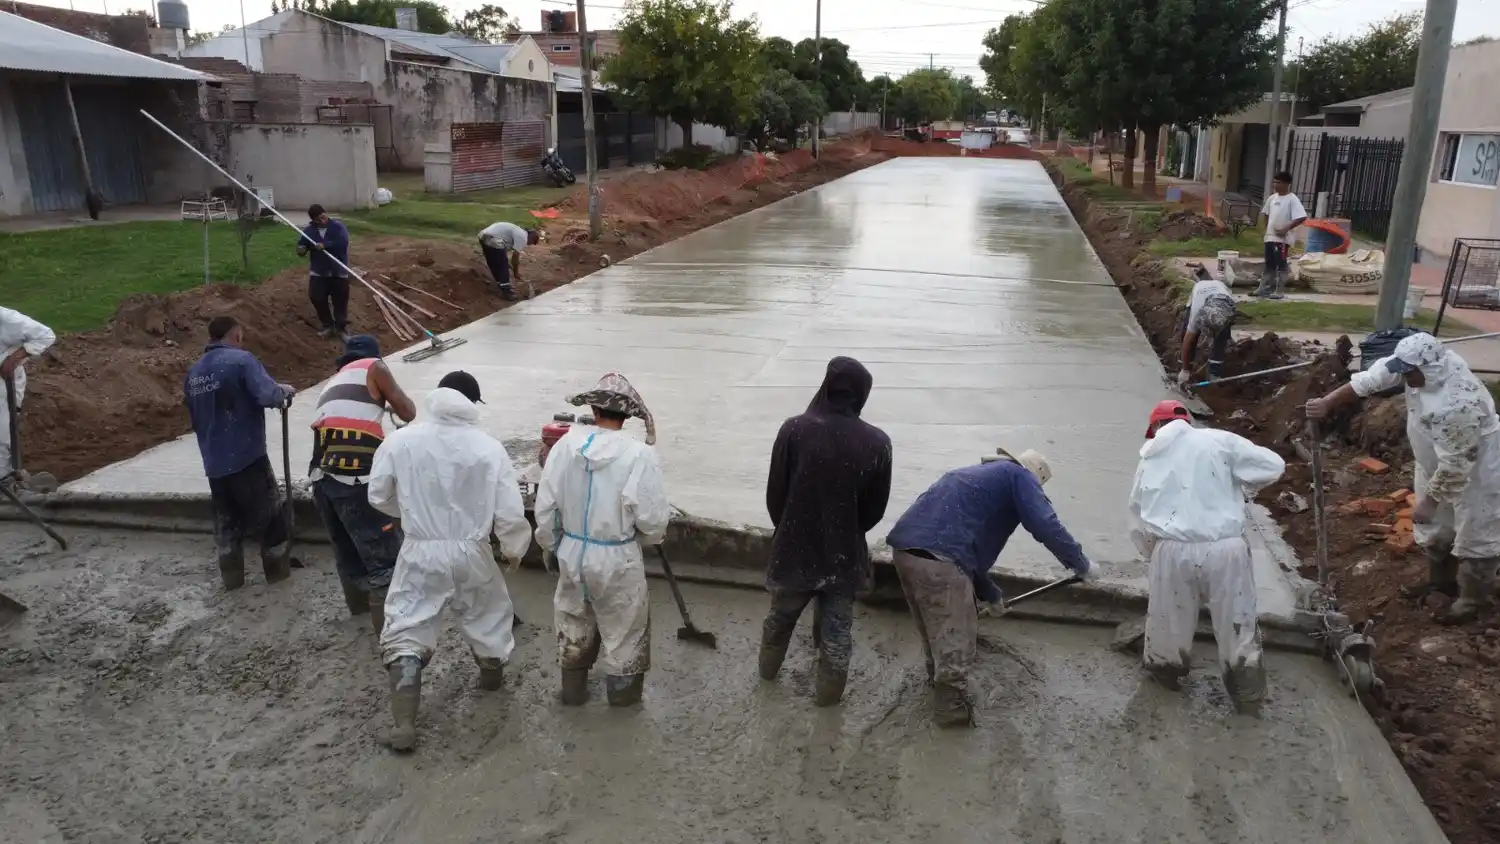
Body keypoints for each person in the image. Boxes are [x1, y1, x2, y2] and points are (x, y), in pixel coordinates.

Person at [368, 370, 531, 752]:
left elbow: (378, 495)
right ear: (472, 404)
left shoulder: (400, 442)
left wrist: (411, 514)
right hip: (472, 549)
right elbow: (509, 513)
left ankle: (404, 725)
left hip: (420, 548)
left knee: (407, 623)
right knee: (488, 616)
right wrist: (513, 550)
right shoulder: (489, 448)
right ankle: (491, 683)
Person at [886, 447, 1094, 727]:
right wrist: (1081, 563)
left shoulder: (979, 477)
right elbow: (1045, 524)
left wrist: (992, 596)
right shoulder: (1019, 476)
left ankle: (934, 682)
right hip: (941, 560)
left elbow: (968, 554)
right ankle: (950, 708)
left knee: (932, 628)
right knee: (957, 634)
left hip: (905, 552)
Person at [1308, 334, 1500, 624]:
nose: (1405, 379)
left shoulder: (1459, 403)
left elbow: (1457, 464)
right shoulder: (1419, 367)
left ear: (1430, 368)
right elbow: (1373, 378)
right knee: (1437, 530)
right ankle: (1441, 583)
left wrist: (1429, 502)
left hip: (1475, 474)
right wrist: (1327, 402)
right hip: (1435, 464)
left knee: (1477, 537)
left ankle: (1473, 603)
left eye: (1409, 374)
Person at [1129, 400, 1285, 715]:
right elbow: (1273, 465)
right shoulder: (1220, 440)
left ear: (1156, 427)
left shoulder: (1149, 458)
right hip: (1225, 548)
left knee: (1167, 624)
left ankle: (1165, 678)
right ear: (1187, 421)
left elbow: (1137, 516)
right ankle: (1247, 697)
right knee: (1237, 623)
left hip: (1171, 548)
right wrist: (1240, 483)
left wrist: (1153, 555)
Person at [760, 357, 892, 707]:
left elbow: (775, 496)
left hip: (793, 550)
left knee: (779, 622)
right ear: (861, 393)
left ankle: (767, 679)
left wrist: (789, 528)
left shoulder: (794, 430)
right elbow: (874, 511)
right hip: (843, 556)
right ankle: (827, 706)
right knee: (837, 636)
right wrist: (846, 528)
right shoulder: (878, 442)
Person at [534, 372, 670, 708]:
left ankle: (573, 697)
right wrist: (641, 537)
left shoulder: (565, 446)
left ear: (594, 410)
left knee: (573, 623)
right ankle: (622, 707)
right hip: (617, 556)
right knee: (625, 633)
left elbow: (546, 507)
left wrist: (552, 545)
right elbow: (653, 522)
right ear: (627, 415)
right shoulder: (638, 455)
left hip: (572, 551)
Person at [309, 335, 416, 635]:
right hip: (353, 480)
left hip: (322, 481)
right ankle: (392, 637)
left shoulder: (335, 381)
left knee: (350, 557)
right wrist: (390, 403)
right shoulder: (375, 366)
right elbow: (409, 412)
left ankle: (359, 618)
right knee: (385, 563)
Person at [184, 316, 296, 590]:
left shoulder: (194, 373)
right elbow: (268, 395)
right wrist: (284, 392)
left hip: (214, 462)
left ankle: (232, 580)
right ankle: (278, 578)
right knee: (270, 519)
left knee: (227, 525)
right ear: (236, 335)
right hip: (247, 457)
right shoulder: (241, 361)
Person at [0, 307, 56, 486]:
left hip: (4, 383)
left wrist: (14, 359)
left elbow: (46, 335)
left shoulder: (8, 319)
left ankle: (5, 483)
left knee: (2, 434)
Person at [297, 204, 352, 338]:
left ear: (325, 213)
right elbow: (302, 244)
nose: (322, 221)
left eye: (323, 217)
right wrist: (301, 249)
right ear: (313, 220)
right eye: (318, 219)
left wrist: (325, 245)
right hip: (319, 271)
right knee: (316, 297)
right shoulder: (309, 231)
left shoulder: (338, 227)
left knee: (340, 299)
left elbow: (342, 243)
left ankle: (340, 327)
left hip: (338, 270)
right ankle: (328, 325)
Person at [1176, 266, 1237, 386]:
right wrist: (1185, 370)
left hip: (1221, 296)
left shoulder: (1229, 310)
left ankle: (1214, 372)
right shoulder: (1197, 311)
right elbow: (1187, 340)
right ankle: (1186, 366)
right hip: (1200, 292)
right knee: (1188, 333)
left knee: (1223, 337)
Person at [1256, 171, 1307, 300]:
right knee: (1269, 263)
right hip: (1270, 237)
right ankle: (1262, 288)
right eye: (1274, 182)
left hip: (1282, 239)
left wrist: (1286, 229)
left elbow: (1301, 217)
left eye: (1278, 182)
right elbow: (1266, 214)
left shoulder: (1292, 199)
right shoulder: (1272, 198)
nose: (1275, 185)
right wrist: (1267, 229)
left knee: (1281, 263)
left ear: (1286, 184)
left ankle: (1279, 290)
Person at [478, 221, 541, 301]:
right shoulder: (523, 237)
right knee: (503, 267)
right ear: (532, 237)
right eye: (532, 243)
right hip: (493, 239)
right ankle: (506, 292)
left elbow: (502, 253)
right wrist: (516, 272)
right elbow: (515, 256)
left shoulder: (518, 231)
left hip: (483, 235)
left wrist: (505, 261)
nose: (529, 244)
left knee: (494, 263)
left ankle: (501, 285)